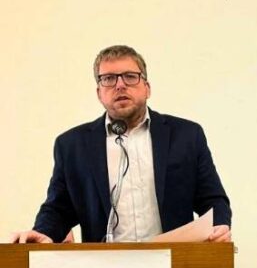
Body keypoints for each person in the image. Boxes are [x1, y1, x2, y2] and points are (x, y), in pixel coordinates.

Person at [11, 45, 231, 243]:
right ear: (99, 93)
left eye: (130, 77)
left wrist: (219, 227)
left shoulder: (186, 135)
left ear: (147, 88)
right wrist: (42, 232)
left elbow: (212, 200)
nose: (120, 85)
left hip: (174, 262)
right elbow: (59, 208)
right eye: (108, 79)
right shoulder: (72, 145)